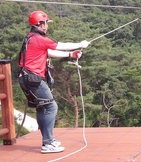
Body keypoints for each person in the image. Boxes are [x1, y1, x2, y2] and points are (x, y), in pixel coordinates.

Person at [18, 10, 90, 154]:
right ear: (40, 24)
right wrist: (80, 44)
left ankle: (48, 140)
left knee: (43, 107)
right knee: (51, 107)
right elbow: (59, 45)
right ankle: (48, 142)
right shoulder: (39, 38)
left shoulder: (32, 38)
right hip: (33, 79)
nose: (47, 26)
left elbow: (49, 52)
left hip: (28, 78)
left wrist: (71, 54)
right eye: (45, 23)